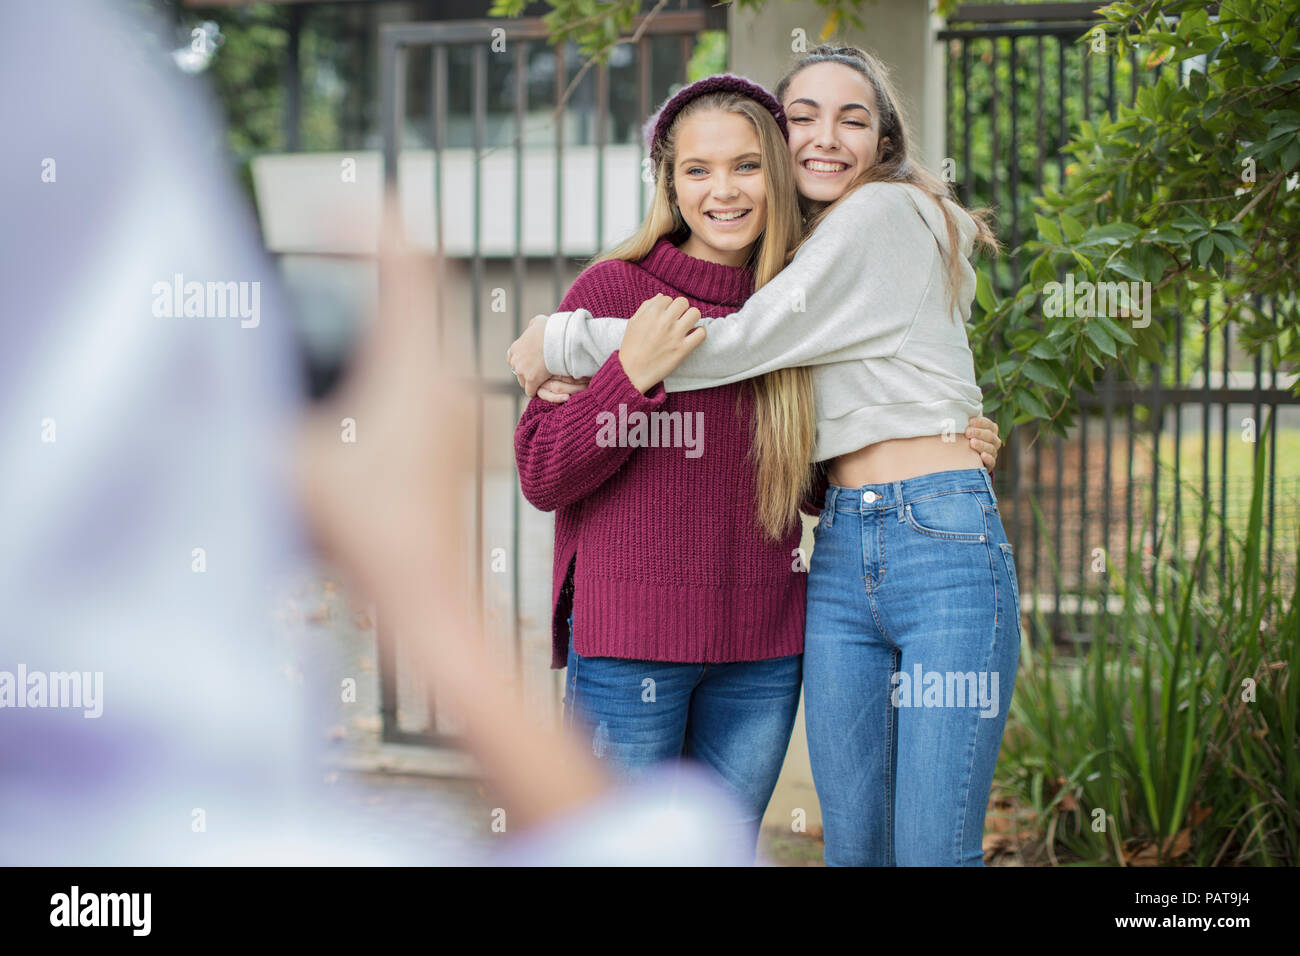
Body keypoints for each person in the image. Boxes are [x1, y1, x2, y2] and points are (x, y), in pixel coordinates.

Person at [507, 46, 1022, 867]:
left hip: (760, 651)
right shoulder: (612, 291)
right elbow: (543, 473)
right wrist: (622, 380)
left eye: (746, 165)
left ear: (775, 169)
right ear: (669, 184)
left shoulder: (792, 303)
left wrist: (941, 437)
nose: (724, 190)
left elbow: (801, 476)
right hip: (633, 640)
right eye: (699, 171)